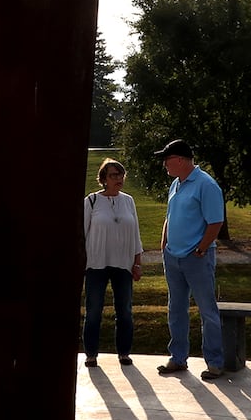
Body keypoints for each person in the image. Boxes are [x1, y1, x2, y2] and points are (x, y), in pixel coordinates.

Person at [153, 139, 226, 381]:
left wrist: (202, 248)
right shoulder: (176, 184)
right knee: (176, 309)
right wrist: (164, 243)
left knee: (207, 310)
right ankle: (178, 358)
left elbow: (216, 222)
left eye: (168, 158)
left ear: (182, 160)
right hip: (173, 257)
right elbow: (169, 216)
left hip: (197, 258)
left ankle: (215, 363)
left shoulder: (206, 185)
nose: (164, 163)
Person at [83, 158, 143, 368]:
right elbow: (82, 233)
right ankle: (91, 354)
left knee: (125, 310)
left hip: (123, 264)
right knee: (94, 311)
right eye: (113, 175)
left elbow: (135, 233)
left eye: (120, 175)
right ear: (104, 179)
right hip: (97, 264)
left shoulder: (128, 201)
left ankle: (124, 353)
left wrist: (137, 262)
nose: (118, 179)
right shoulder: (91, 201)